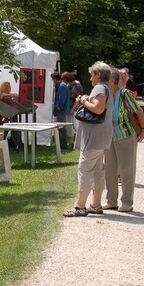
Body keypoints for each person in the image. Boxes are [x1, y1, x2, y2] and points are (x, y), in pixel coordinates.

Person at [63, 61, 113, 217]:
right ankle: (96, 204)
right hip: (102, 137)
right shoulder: (108, 88)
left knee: (84, 170)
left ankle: (80, 206)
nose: (90, 78)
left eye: (92, 74)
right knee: (98, 171)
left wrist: (83, 100)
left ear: (98, 74)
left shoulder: (99, 87)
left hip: (93, 138)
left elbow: (98, 108)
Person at [104, 68, 144, 212]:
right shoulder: (106, 93)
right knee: (109, 170)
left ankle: (127, 202)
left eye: (107, 78)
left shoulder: (124, 93)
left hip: (125, 135)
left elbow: (138, 111)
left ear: (112, 80)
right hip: (109, 136)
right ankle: (111, 201)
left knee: (126, 170)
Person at [53, 72, 72, 149]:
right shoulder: (62, 85)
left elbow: (62, 100)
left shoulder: (62, 86)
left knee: (62, 128)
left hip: (61, 110)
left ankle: (63, 145)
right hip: (61, 110)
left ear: (55, 79)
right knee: (61, 127)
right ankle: (62, 144)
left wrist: (58, 107)